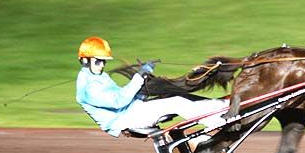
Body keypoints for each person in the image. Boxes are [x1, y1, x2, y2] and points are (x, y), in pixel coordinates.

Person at [75, 36, 228, 137]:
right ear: (85, 61)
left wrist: (143, 86)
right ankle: (214, 121)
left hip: (133, 110)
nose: (102, 65)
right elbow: (118, 101)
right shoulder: (89, 88)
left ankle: (223, 105)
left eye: (104, 61)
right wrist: (139, 77)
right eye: (98, 61)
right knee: (176, 102)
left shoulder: (98, 76)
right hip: (128, 119)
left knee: (176, 96)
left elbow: (123, 97)